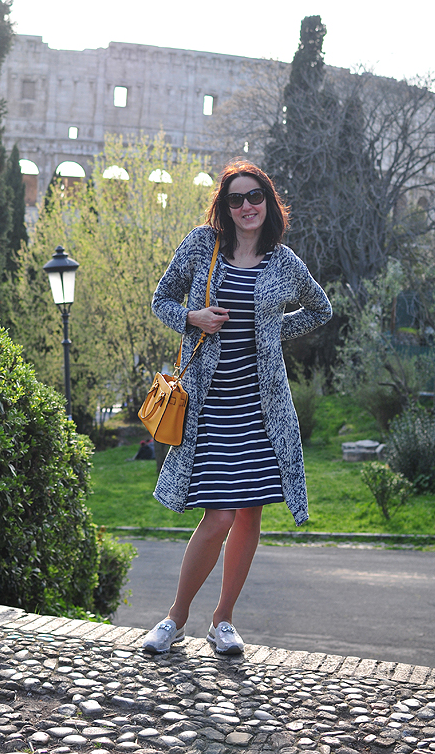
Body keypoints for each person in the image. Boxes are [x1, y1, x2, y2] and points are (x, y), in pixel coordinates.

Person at [141, 161, 332, 655]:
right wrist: (193, 317)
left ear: (268, 202)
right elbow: (161, 299)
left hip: (262, 409)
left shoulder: (284, 262)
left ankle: (222, 620)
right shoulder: (201, 245)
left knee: (248, 515)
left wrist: (271, 332)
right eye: (236, 199)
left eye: (255, 196)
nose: (247, 206)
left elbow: (321, 308)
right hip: (210, 404)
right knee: (220, 515)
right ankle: (175, 617)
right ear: (224, 207)